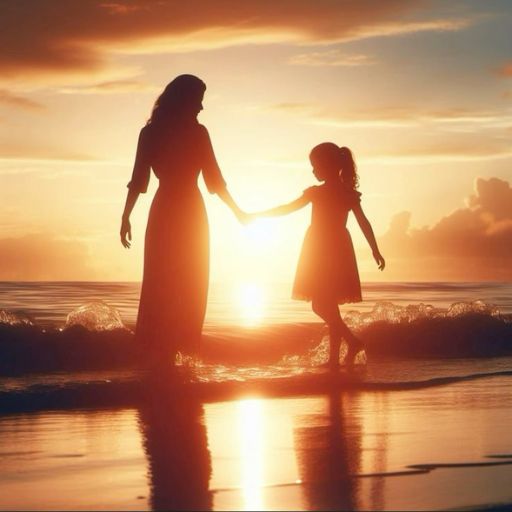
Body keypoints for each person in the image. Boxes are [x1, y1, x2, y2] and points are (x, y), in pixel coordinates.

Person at [120, 74, 245, 367]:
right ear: (185, 100)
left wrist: (127, 216)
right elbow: (215, 181)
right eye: (198, 100)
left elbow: (139, 180)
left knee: (164, 282)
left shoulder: (151, 133)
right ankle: (178, 356)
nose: (201, 107)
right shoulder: (196, 133)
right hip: (188, 210)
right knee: (185, 282)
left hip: (166, 210)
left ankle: (162, 359)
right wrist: (237, 211)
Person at [250, 143, 385, 369]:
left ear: (328, 165)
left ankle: (351, 343)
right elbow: (363, 222)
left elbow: (288, 208)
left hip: (322, 249)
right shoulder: (343, 192)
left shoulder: (320, 192)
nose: (313, 171)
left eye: (315, 166)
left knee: (321, 305)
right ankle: (336, 357)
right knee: (329, 304)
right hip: (336, 248)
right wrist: (374, 249)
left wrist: (257, 216)